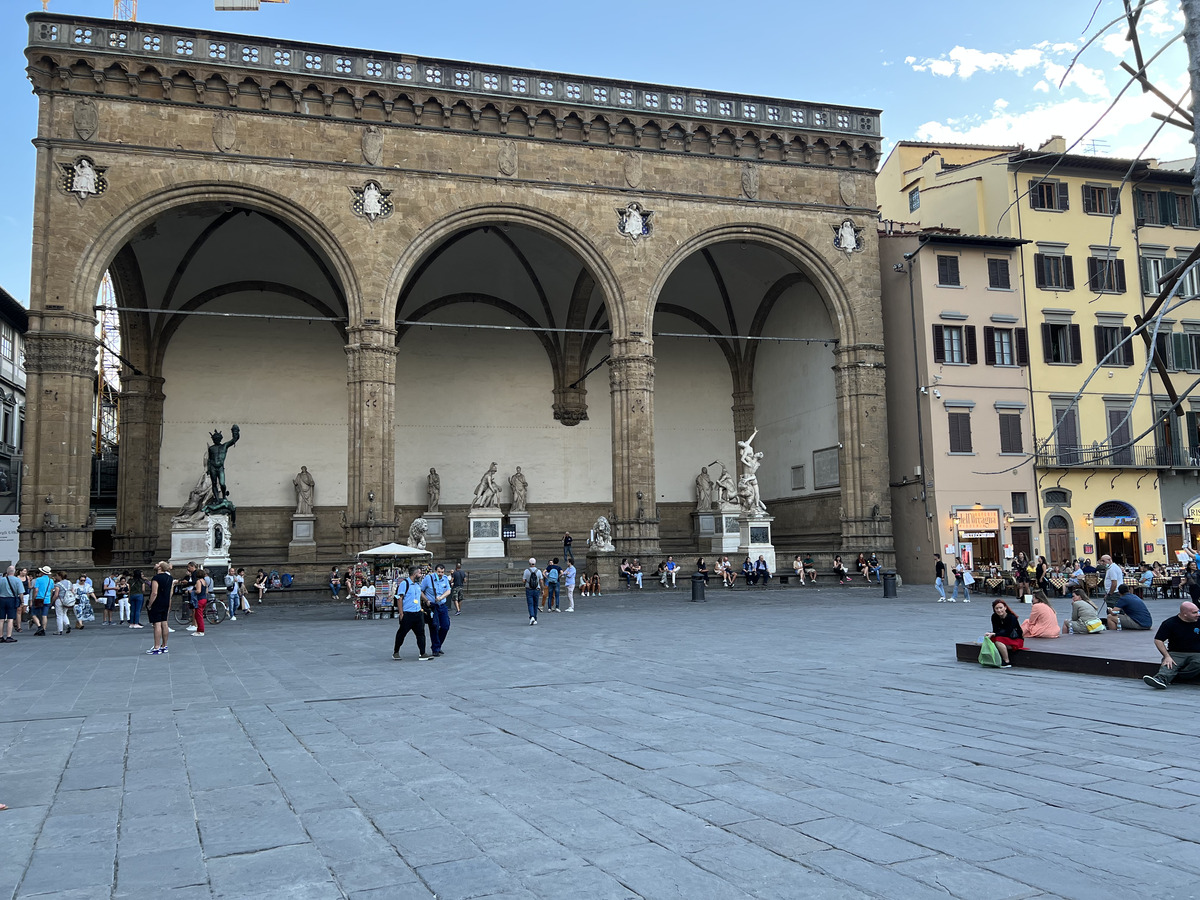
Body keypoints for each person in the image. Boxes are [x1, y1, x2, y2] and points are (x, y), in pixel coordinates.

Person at [1144, 601, 1200, 688]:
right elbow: (1158, 640)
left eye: (1198, 611)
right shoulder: (1170, 623)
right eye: (1194, 612)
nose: (1198, 614)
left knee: (1198, 663)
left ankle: (1177, 676)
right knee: (1169, 663)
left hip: (1197, 653)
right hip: (1176, 652)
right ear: (1184, 614)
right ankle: (1160, 679)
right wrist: (1166, 656)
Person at [391, 566, 432, 660]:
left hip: (418, 613)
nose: (421, 575)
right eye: (419, 573)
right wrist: (401, 614)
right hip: (407, 614)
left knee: (421, 634)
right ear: (414, 574)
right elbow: (399, 598)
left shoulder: (417, 584)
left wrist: (426, 600)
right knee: (402, 633)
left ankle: (422, 653)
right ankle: (396, 652)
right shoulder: (404, 584)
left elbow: (420, 593)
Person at [421, 563, 452, 656]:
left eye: (442, 572)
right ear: (435, 571)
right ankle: (435, 648)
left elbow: (448, 590)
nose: (440, 574)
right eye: (439, 572)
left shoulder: (445, 579)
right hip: (432, 606)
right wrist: (426, 600)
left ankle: (438, 644)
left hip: (442, 605)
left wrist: (441, 597)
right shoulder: (428, 579)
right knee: (434, 626)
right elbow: (421, 590)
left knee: (445, 626)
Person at [146, 561, 174, 655]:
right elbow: (170, 592)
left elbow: (154, 593)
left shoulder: (156, 578)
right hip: (166, 601)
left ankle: (156, 647)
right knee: (164, 623)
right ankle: (164, 646)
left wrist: (150, 604)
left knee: (157, 624)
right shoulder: (170, 578)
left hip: (157, 602)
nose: (156, 564)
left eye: (157, 564)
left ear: (160, 568)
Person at [986, 600, 1024, 667]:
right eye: (997, 608)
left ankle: (1006, 661)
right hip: (1003, 637)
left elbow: (1008, 632)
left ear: (1005, 608)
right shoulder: (994, 616)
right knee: (991, 639)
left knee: (998, 641)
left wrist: (994, 634)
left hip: (1015, 639)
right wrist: (991, 634)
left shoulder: (1012, 617)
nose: (999, 610)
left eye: (1001, 608)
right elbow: (995, 630)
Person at [30, 565, 54, 636]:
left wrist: (34, 598)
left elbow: (36, 590)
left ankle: (39, 627)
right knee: (44, 615)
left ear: (42, 572)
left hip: (39, 598)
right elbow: (51, 590)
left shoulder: (38, 579)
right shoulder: (51, 580)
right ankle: (44, 629)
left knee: (33, 614)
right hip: (47, 599)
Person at [0, 566, 20, 643]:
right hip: (11, 599)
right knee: (10, 619)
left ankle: (0, 636)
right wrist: (21, 601)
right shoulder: (17, 580)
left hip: (1, 599)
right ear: (14, 572)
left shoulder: (1, 580)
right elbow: (21, 593)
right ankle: (9, 636)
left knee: (1, 619)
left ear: (7, 572)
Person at [189, 567, 210, 636]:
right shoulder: (205, 581)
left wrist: (192, 591)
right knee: (199, 614)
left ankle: (201, 631)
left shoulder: (199, 581)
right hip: (204, 599)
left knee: (198, 616)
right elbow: (206, 591)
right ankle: (199, 630)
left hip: (199, 599)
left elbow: (198, 591)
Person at [53, 571, 74, 635]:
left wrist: (52, 601)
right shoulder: (69, 582)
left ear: (60, 576)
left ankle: (60, 630)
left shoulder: (58, 584)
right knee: (64, 613)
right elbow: (72, 591)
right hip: (67, 600)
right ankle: (67, 624)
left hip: (59, 600)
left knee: (59, 615)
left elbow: (56, 594)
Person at [522, 558, 541, 625]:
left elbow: (523, 580)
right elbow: (541, 580)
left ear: (529, 563)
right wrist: (543, 588)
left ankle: (532, 616)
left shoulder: (526, 571)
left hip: (529, 589)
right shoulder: (538, 571)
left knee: (530, 604)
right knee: (536, 604)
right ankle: (535, 618)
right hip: (537, 589)